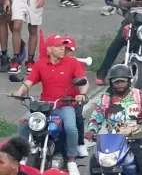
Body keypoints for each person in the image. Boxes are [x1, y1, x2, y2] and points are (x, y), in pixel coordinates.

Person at [13, 34, 87, 175]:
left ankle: (71, 159)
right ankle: (21, 155)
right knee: (23, 124)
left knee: (71, 128)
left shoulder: (72, 62)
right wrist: (20, 91)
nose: (62, 49)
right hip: (44, 105)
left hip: (65, 104)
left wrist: (81, 94)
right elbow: (29, 81)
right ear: (49, 49)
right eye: (58, 46)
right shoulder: (40, 63)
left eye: (63, 46)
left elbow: (83, 81)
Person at [83, 64, 142, 175]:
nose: (119, 85)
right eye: (116, 82)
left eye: (122, 81)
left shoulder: (140, 95)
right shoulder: (106, 98)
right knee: (95, 163)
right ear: (111, 83)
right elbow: (96, 117)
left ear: (129, 81)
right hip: (112, 141)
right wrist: (91, 130)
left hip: (137, 140)